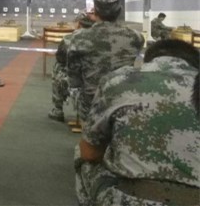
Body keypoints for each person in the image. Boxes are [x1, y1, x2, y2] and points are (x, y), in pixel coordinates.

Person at [75, 39, 200, 206]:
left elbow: (89, 153)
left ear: (148, 60)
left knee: (82, 155)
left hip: (134, 198)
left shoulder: (118, 80)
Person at [67, 0, 144, 123]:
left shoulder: (79, 37)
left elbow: (73, 73)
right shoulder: (136, 37)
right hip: (123, 99)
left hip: (91, 101)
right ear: (119, 10)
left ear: (95, 11)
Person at [48, 12, 94, 122]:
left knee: (58, 67)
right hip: (94, 78)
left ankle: (58, 109)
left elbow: (60, 58)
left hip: (75, 80)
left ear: (78, 24)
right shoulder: (99, 39)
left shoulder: (69, 39)